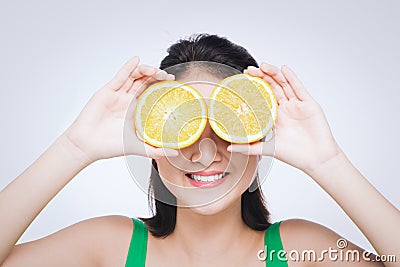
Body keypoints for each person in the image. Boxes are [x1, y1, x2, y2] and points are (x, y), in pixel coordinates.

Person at [0, 33, 398, 267]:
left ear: (259, 137)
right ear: (152, 141)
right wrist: (74, 148)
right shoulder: (110, 246)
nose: (205, 151)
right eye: (183, 125)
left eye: (228, 126)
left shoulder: (300, 250)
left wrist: (328, 163)